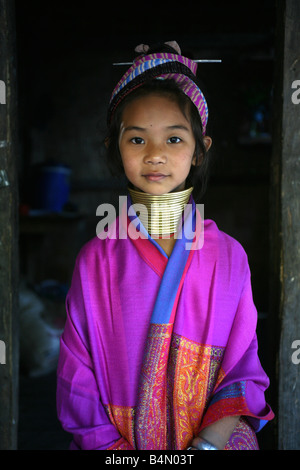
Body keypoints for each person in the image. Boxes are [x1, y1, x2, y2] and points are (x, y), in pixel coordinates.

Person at [56, 41, 274, 450]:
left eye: (174, 140)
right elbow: (76, 377)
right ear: (114, 150)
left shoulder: (229, 258)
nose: (155, 154)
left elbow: (242, 372)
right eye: (137, 140)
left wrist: (205, 446)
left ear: (199, 151)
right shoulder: (96, 260)